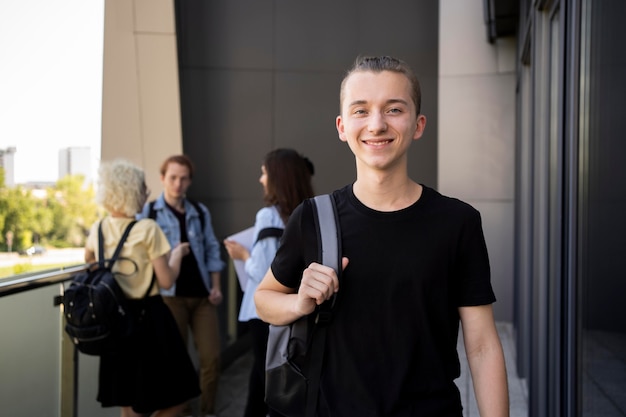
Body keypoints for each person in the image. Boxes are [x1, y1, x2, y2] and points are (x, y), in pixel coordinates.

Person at [255, 56, 510, 417]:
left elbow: (483, 346)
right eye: (361, 111)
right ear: (342, 127)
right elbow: (264, 300)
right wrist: (299, 303)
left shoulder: (458, 222)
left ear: (418, 124)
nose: (376, 124)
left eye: (393, 109)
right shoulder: (313, 218)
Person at [85, 158, 200, 417]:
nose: (147, 193)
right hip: (149, 319)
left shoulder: (98, 228)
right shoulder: (147, 228)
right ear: (130, 192)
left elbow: (90, 262)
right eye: (142, 187)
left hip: (114, 320)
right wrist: (178, 254)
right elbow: (167, 280)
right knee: (179, 395)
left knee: (129, 402)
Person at [224, 148, 315, 417]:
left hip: (264, 307)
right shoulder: (308, 211)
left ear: (276, 176)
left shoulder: (268, 215)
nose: (261, 179)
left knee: (266, 373)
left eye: (264, 173)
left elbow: (264, 271)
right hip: (293, 304)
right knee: (275, 369)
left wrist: (242, 255)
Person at [137, 154, 225, 417]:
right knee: (176, 362)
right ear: (163, 178)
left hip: (202, 298)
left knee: (211, 359)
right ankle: (181, 410)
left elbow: (211, 248)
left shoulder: (199, 211)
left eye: (183, 178)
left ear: (189, 181)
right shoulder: (149, 213)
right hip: (168, 298)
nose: (178, 183)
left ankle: (207, 411)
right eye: (173, 177)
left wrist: (216, 286)